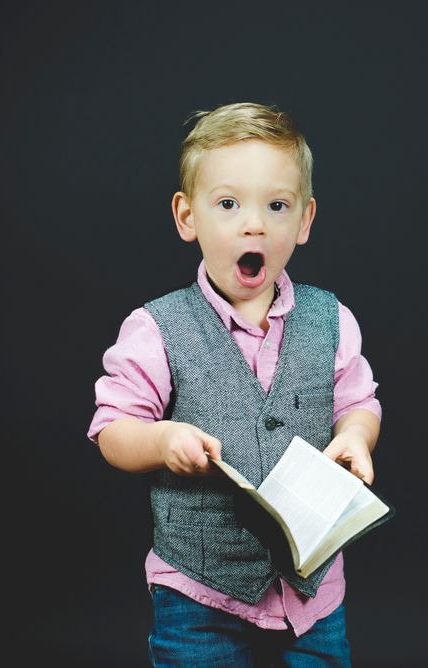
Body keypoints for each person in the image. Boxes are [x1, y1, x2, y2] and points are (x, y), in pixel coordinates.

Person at [87, 102, 382, 667]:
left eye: (277, 205)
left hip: (312, 594)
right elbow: (111, 430)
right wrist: (161, 439)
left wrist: (356, 436)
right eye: (228, 204)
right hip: (199, 592)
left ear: (304, 220)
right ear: (186, 217)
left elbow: (359, 401)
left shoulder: (332, 319)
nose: (255, 224)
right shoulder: (156, 328)